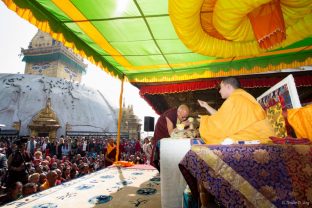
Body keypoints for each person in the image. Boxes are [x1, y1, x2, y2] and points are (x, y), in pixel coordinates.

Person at [198, 77, 275, 144]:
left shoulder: (235, 99)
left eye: (221, 88)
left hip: (257, 136)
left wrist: (204, 122)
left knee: (222, 141)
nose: (219, 91)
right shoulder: (241, 96)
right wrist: (206, 106)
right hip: (262, 134)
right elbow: (221, 117)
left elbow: (221, 124)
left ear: (228, 86)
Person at [151, 104, 190, 171]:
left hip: (169, 138)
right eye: (183, 117)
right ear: (178, 112)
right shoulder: (170, 115)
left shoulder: (180, 115)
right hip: (162, 135)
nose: (184, 119)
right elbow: (171, 133)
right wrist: (183, 124)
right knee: (162, 157)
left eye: (186, 117)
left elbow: (180, 130)